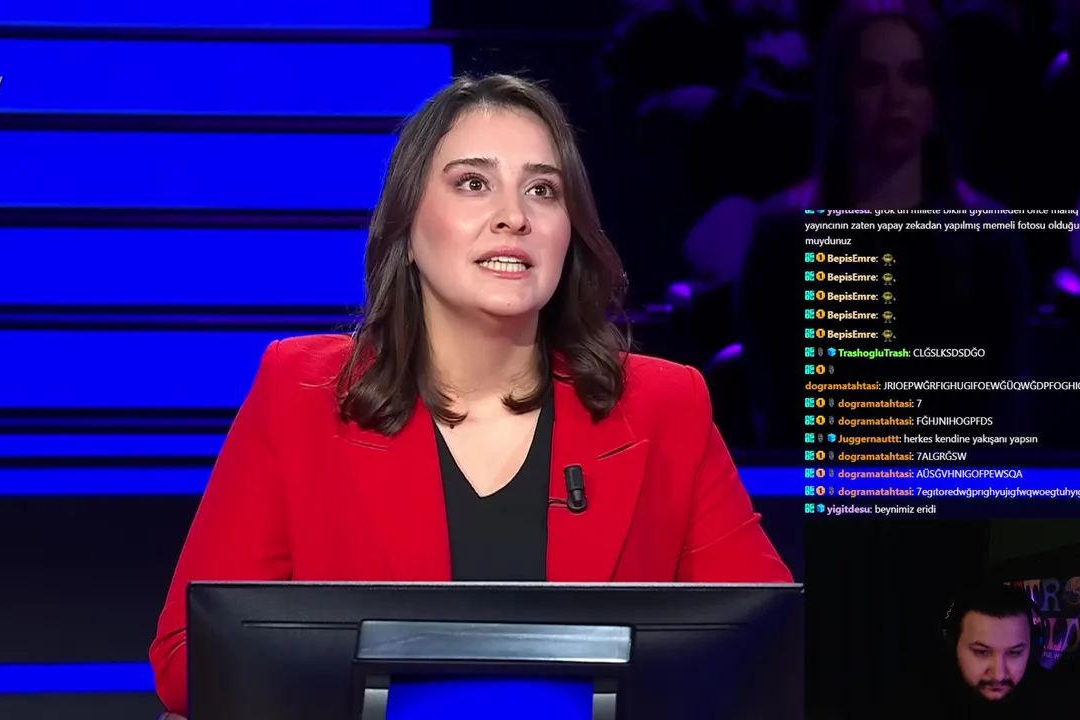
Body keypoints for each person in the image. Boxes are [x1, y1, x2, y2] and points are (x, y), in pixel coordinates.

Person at [150, 73, 792, 716]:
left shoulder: (664, 405)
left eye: (543, 190)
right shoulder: (301, 391)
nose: (514, 216)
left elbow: (766, 649)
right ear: (406, 228)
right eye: (473, 183)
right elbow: (190, 657)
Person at [735, 0, 1033, 447]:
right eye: (873, 77)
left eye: (914, 76)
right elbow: (776, 400)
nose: (896, 98)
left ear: (936, 98)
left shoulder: (986, 237)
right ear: (840, 95)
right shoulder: (783, 234)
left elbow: (1000, 401)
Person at [893, 583, 1052, 717]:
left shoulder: (1055, 700)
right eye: (982, 652)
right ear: (952, 645)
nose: (998, 675)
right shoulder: (912, 701)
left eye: (1014, 653)